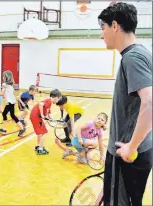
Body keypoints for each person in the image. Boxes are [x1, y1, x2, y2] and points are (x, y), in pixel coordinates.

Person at [98, 2, 152, 205]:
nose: (101, 35)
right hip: (134, 152)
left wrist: (132, 146)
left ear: (114, 25)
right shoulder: (141, 53)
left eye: (102, 28)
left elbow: (150, 102)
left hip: (127, 155)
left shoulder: (133, 58)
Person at [30, 89, 61, 155]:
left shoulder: (49, 103)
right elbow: (41, 104)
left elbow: (48, 114)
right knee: (44, 132)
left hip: (35, 116)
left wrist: (52, 119)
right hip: (36, 117)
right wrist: (41, 114)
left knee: (40, 132)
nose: (58, 101)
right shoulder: (48, 101)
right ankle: (40, 149)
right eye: (58, 99)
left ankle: (38, 146)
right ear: (56, 97)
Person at [0, 70, 26, 137]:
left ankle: (21, 128)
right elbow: (12, 93)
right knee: (10, 115)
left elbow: (1, 93)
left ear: (6, 77)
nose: (3, 77)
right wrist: (6, 96)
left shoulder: (4, 84)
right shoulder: (10, 85)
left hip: (10, 102)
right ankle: (6, 129)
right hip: (12, 102)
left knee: (8, 114)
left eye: (3, 76)